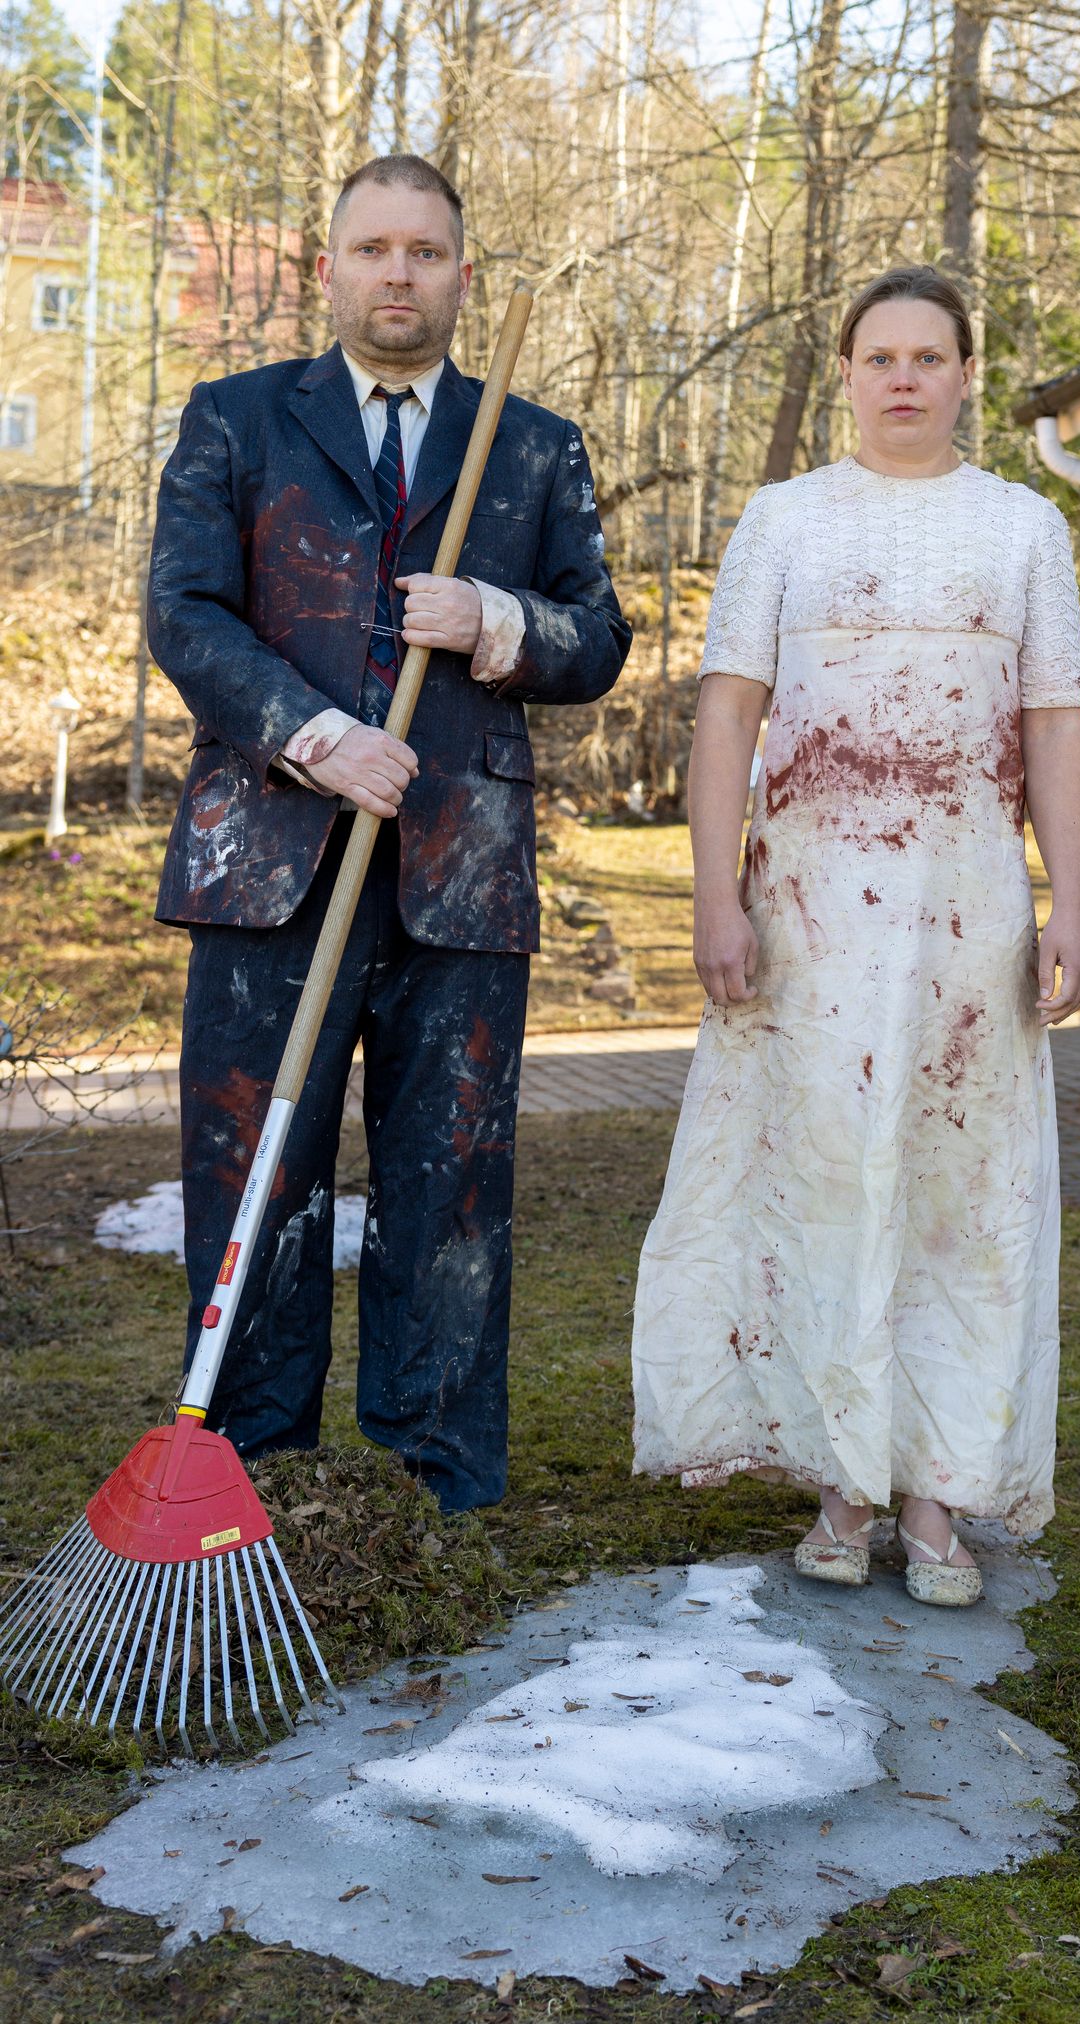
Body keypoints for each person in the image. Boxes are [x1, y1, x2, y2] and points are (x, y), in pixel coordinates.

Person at [149, 154, 631, 1513]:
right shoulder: (237, 419)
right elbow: (185, 614)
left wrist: (495, 620)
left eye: (424, 251)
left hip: (460, 879)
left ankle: (433, 1491)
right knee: (255, 1177)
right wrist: (315, 736)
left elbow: (598, 637)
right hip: (268, 868)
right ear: (329, 269)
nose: (398, 274)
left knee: (452, 1187)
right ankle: (246, 1479)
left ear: (461, 275)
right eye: (373, 249)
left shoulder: (529, 443)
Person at [631, 266, 1080, 1605]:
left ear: (964, 376)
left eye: (927, 357)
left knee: (959, 1190)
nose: (903, 378)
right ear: (845, 374)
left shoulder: (1023, 529)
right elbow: (728, 715)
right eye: (879, 356)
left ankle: (938, 1490)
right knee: (824, 1176)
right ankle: (839, 1481)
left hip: (964, 919)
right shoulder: (783, 521)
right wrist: (715, 894)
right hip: (809, 917)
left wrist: (1068, 900)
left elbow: (1053, 724)